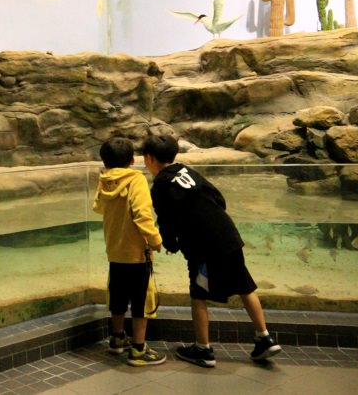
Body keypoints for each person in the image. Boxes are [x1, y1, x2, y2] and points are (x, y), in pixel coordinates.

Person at [143, 132, 282, 368]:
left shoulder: (161, 185)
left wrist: (171, 244)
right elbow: (218, 197)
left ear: (149, 158)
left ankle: (203, 349)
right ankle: (264, 337)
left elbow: (166, 220)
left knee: (199, 293)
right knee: (244, 286)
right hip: (228, 235)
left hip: (204, 246)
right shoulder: (187, 171)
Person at [93, 136, 165, 366]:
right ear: (132, 160)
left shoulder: (104, 180)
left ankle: (116, 338)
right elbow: (142, 214)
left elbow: (97, 207)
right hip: (137, 254)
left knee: (118, 296)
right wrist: (155, 240)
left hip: (115, 251)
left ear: (104, 161)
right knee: (141, 301)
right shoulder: (137, 180)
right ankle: (138, 349)